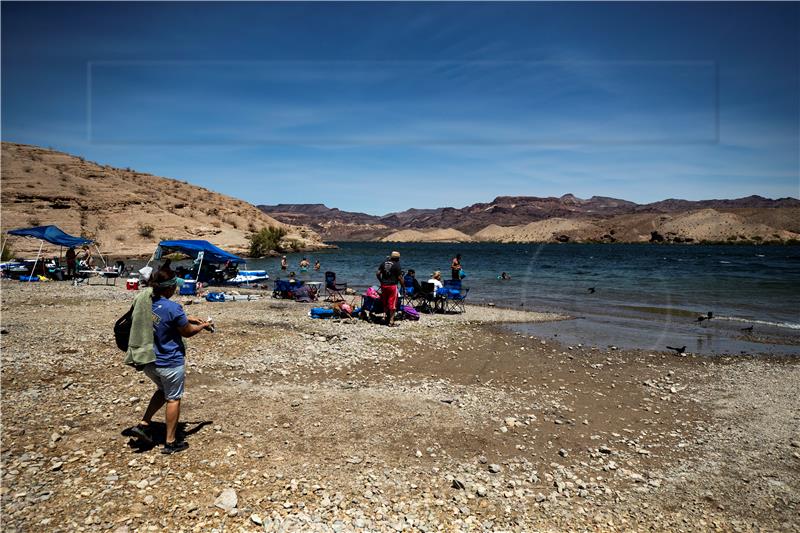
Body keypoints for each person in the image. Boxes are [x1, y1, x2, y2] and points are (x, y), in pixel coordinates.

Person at [130, 261, 212, 454]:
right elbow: (187, 332)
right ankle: (171, 441)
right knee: (173, 398)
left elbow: (169, 318)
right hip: (169, 362)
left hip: (149, 360)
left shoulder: (145, 302)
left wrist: (188, 317)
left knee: (161, 390)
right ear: (170, 289)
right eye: (175, 286)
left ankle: (144, 424)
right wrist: (203, 325)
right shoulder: (173, 308)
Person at [377, 250, 403, 326]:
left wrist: (381, 281)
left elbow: (378, 273)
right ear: (397, 258)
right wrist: (403, 286)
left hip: (384, 285)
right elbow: (400, 277)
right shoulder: (397, 265)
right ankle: (391, 321)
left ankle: (384, 317)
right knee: (393, 303)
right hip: (392, 286)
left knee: (385, 301)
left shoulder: (383, 263)